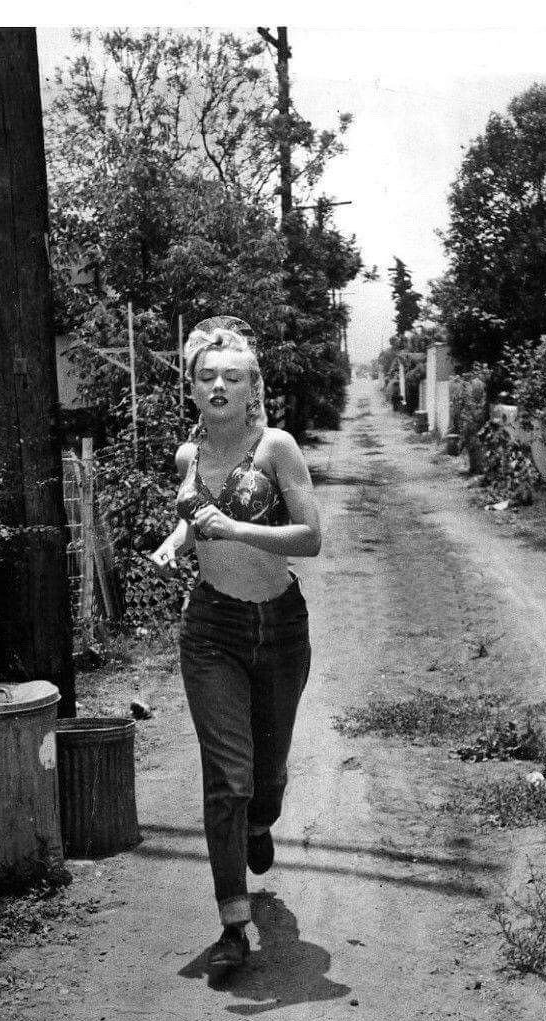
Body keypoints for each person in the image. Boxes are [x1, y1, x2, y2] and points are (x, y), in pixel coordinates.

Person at [150, 317, 322, 970]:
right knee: (227, 778)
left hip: (279, 630)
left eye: (232, 375)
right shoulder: (188, 457)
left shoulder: (275, 446)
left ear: (253, 386)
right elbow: (193, 523)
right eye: (206, 376)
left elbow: (309, 537)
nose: (218, 384)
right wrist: (176, 542)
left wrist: (234, 529)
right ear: (191, 388)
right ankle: (231, 928)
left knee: (265, 778)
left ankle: (261, 821)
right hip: (212, 632)